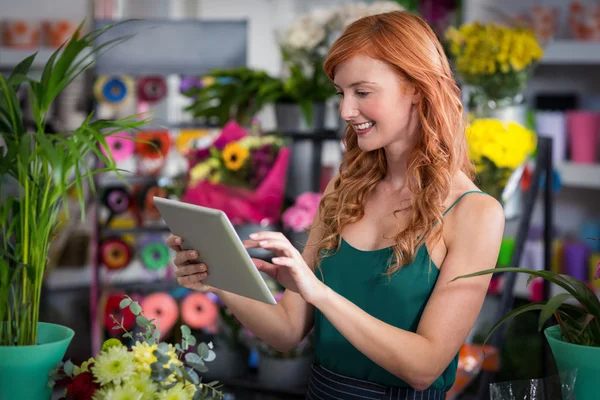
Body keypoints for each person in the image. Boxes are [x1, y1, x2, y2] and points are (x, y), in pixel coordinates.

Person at [167, 10, 504, 400]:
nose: (346, 111)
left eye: (362, 92)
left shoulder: (475, 213)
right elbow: (287, 331)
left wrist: (319, 292)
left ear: (415, 87)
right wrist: (216, 276)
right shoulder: (344, 190)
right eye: (341, 93)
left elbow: (424, 368)